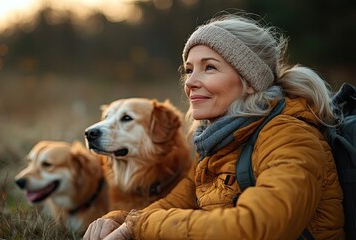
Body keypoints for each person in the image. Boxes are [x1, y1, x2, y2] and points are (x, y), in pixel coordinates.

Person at [83, 12, 344, 240]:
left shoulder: (290, 136)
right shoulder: (215, 141)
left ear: (250, 80)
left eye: (209, 67)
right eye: (189, 70)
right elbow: (176, 203)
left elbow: (258, 227)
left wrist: (140, 227)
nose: (190, 82)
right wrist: (120, 220)